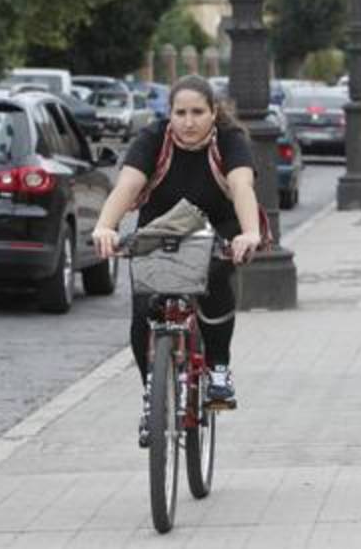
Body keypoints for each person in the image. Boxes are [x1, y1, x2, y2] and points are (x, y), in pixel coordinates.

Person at [92, 75, 263, 445]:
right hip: (161, 229)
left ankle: (218, 368)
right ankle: (151, 396)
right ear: (168, 114)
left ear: (213, 112)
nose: (189, 121)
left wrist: (249, 233)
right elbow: (128, 186)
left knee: (215, 278)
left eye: (198, 112)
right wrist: (105, 226)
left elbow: (241, 186)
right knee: (143, 309)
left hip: (217, 226)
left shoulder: (229, 140)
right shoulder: (154, 139)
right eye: (180, 112)